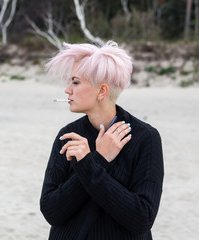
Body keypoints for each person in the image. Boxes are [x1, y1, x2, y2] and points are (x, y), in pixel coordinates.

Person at [40, 41, 164, 240]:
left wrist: (91, 165)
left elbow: (142, 218)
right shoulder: (68, 136)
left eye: (76, 82)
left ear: (102, 91)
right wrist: (99, 159)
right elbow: (51, 211)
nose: (67, 90)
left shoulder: (145, 138)